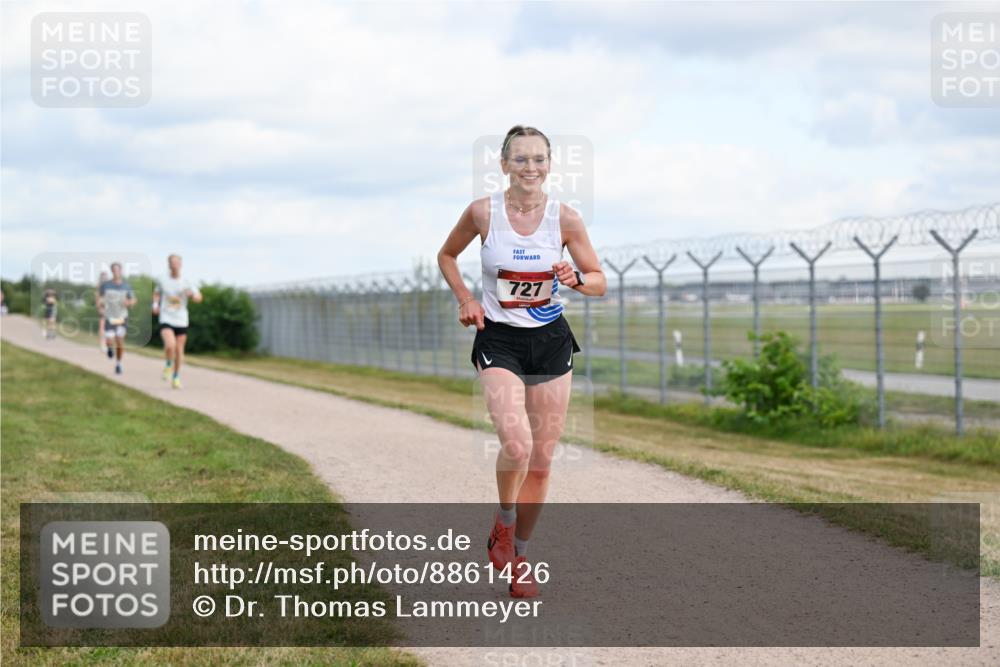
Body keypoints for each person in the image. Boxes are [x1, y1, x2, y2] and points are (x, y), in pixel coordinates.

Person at [437, 125, 606, 598]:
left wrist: (575, 279)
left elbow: (599, 280)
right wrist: (466, 297)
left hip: (551, 340)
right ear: (504, 163)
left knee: (543, 460)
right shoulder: (482, 212)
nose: (530, 168)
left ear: (549, 164)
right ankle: (504, 525)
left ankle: (520, 559)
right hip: (500, 340)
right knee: (517, 444)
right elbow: (447, 255)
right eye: (521, 159)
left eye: (539, 159)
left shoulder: (565, 219)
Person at [152, 254, 202, 389]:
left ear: (180, 264)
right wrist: (155, 305)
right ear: (169, 265)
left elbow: (199, 297)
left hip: (181, 319)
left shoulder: (187, 281)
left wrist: (192, 295)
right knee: (170, 345)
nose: (174, 265)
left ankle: (176, 377)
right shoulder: (162, 279)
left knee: (179, 350)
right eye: (172, 263)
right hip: (166, 317)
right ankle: (169, 364)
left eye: (177, 263)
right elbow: (156, 293)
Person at [98, 263, 136, 375]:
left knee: (120, 341)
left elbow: (133, 299)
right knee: (109, 340)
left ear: (121, 271)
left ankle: (118, 364)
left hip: (122, 317)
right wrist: (100, 307)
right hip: (109, 316)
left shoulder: (126, 286)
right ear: (112, 271)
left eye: (118, 270)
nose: (116, 272)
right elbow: (100, 298)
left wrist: (128, 302)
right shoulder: (105, 285)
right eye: (114, 270)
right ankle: (110, 348)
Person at [96, 271, 110, 356]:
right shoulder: (100, 286)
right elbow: (98, 297)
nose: (104, 278)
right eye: (103, 277)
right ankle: (102, 344)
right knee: (102, 326)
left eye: (105, 276)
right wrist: (99, 307)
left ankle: (107, 344)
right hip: (103, 306)